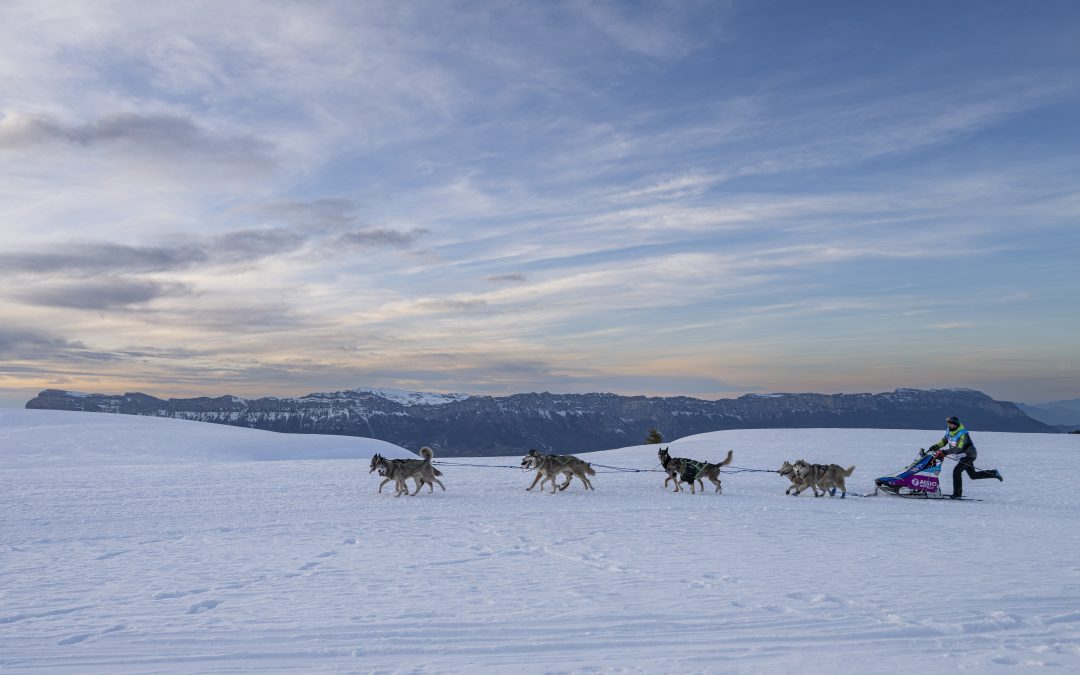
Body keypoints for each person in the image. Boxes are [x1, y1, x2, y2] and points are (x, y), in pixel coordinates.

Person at [928, 416, 1002, 499]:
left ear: (955, 424)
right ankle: (994, 473)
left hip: (969, 455)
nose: (949, 425)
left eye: (951, 423)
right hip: (962, 455)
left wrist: (945, 452)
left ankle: (957, 494)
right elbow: (943, 442)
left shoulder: (963, 434)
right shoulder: (949, 431)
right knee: (973, 475)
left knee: (956, 471)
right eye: (948, 423)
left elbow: (959, 448)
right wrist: (935, 446)